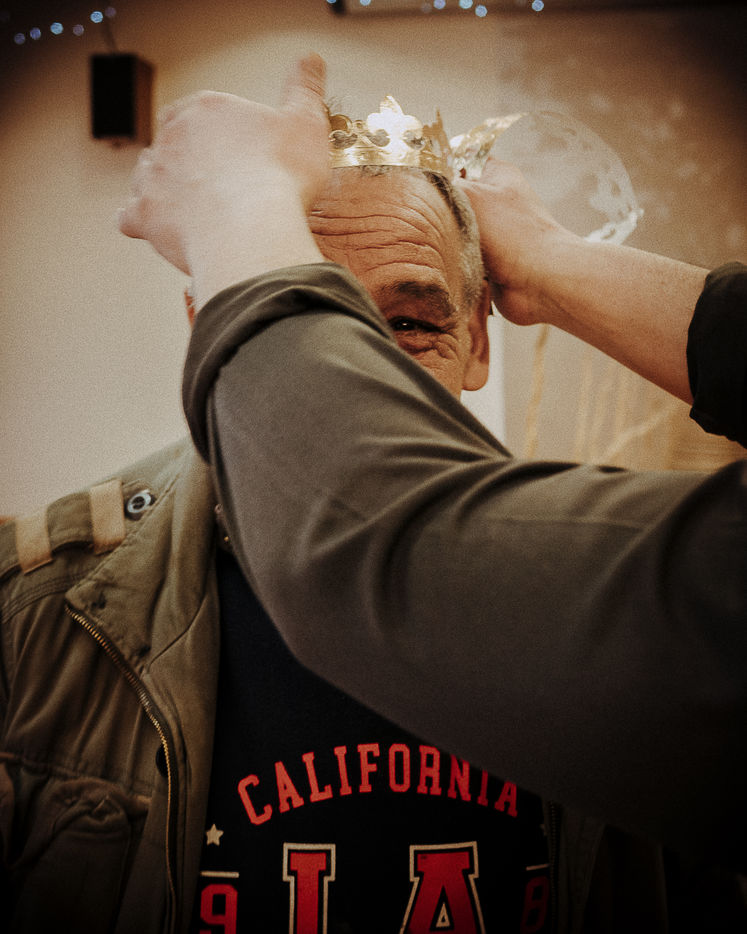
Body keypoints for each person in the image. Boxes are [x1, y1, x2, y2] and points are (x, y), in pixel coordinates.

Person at [0, 56, 743, 934]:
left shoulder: (607, 595)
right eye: (315, 322)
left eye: (412, 323)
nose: (362, 378)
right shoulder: (37, 611)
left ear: (477, 341)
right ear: (209, 335)